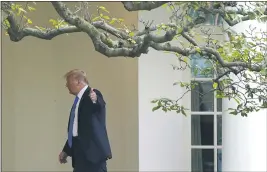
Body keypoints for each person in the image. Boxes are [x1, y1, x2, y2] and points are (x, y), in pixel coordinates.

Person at [58, 69, 112, 172]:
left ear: (78, 81)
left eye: (68, 82)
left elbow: (99, 105)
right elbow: (76, 130)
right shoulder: (78, 101)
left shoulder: (92, 93)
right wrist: (66, 150)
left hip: (93, 156)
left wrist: (95, 99)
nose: (66, 85)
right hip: (80, 156)